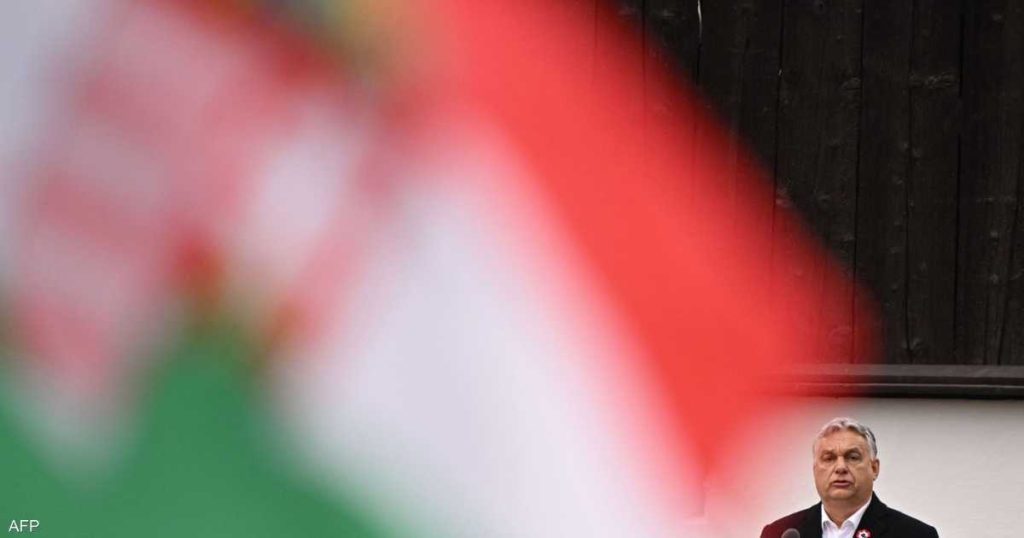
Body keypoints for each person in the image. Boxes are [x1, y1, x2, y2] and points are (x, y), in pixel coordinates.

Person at [760, 417, 938, 538]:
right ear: (815, 470)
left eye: (852, 457)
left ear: (874, 468)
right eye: (829, 458)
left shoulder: (915, 534)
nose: (840, 467)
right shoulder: (779, 533)